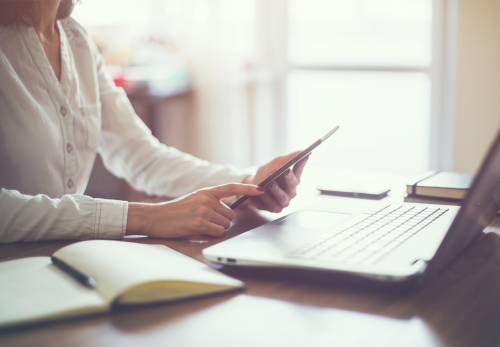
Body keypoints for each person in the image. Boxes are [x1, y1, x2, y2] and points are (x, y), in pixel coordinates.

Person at [0, 0, 308, 243]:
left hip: (65, 257)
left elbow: (141, 156)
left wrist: (246, 185)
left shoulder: (76, 39)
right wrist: (146, 217)